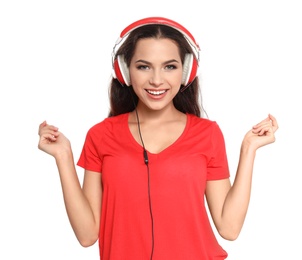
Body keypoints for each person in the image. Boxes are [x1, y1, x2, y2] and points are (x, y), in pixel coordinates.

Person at [38, 17, 278, 260]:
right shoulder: (101, 135)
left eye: (169, 66)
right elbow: (87, 235)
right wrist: (63, 156)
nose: (156, 80)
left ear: (185, 71)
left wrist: (249, 149)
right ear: (125, 70)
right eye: (143, 66)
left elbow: (229, 228)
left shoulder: (207, 134)